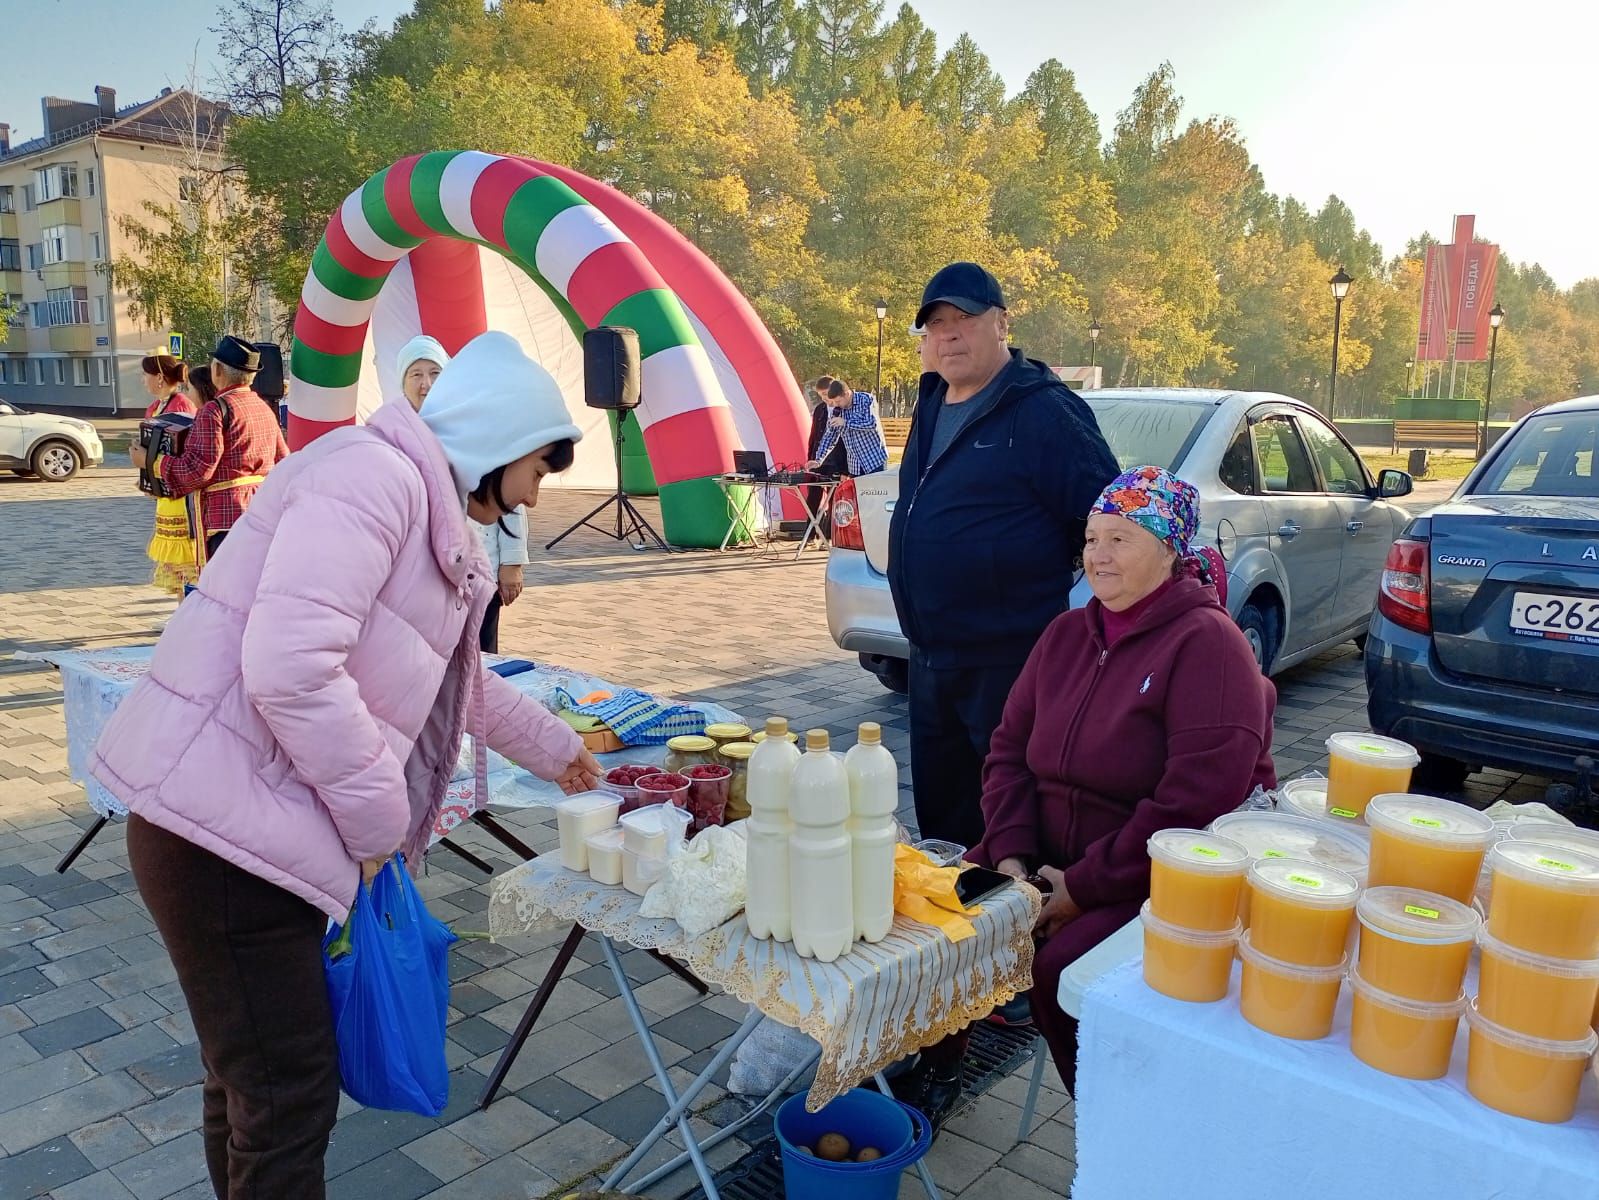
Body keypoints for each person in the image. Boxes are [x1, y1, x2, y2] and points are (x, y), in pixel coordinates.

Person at [89, 331, 603, 1198]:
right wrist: (377, 822)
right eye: (538, 470)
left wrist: (558, 751)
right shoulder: (373, 479)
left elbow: (454, 681)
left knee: (254, 1082)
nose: (535, 493)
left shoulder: (425, 507)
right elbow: (291, 668)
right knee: (284, 1092)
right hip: (220, 839)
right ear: (497, 443)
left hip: (248, 825)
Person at [909, 466, 1277, 1124]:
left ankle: (1120, 1128)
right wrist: (1015, 859)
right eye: (1090, 538)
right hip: (1043, 846)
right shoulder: (1065, 636)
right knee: (941, 917)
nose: (1098, 556)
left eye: (1120, 539)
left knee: (1065, 975)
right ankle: (938, 1066)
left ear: (1169, 550)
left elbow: (1194, 808)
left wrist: (1077, 888)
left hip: (1151, 870)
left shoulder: (1207, 646)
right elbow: (1006, 753)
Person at [887, 262, 1120, 854]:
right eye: (936, 324)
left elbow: (1105, 519)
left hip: (1007, 664)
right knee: (943, 821)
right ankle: (953, 935)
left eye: (964, 318)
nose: (949, 334)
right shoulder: (933, 401)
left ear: (1001, 324)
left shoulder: (1044, 410)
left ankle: (1018, 934)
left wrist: (1021, 579)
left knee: (1011, 823)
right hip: (931, 658)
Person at [396, 335, 528, 653]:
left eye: (435, 373)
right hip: (425, 575)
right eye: (416, 374)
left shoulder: (478, 430)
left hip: (479, 569)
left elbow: (509, 498)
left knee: (482, 658)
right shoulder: (398, 433)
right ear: (403, 382)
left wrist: (511, 563)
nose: (426, 383)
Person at [130, 335, 289, 566]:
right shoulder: (262, 407)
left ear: (217, 371)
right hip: (260, 512)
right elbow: (283, 460)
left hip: (224, 517)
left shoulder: (215, 410)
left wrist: (151, 462)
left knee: (227, 591)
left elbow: (199, 469)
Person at [138, 352, 198, 594]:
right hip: (164, 489)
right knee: (174, 565)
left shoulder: (182, 405)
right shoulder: (156, 406)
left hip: (179, 491)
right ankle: (180, 613)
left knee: (185, 560)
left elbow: (184, 449)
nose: (143, 380)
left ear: (159, 378)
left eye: (146, 375)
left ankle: (187, 613)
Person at [808, 377, 889, 478]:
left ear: (847, 394)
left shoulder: (866, 399)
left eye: (838, 401)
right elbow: (829, 437)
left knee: (876, 493)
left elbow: (872, 423)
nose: (836, 405)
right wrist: (818, 459)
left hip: (874, 461)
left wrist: (846, 423)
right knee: (857, 494)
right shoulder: (837, 411)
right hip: (855, 466)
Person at [803, 375, 847, 534]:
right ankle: (809, 532)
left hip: (836, 461)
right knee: (813, 496)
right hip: (818, 459)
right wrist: (811, 458)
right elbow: (813, 436)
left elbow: (843, 440)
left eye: (826, 394)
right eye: (821, 395)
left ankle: (829, 535)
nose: (825, 398)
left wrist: (844, 468)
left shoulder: (842, 408)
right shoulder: (819, 410)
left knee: (834, 497)